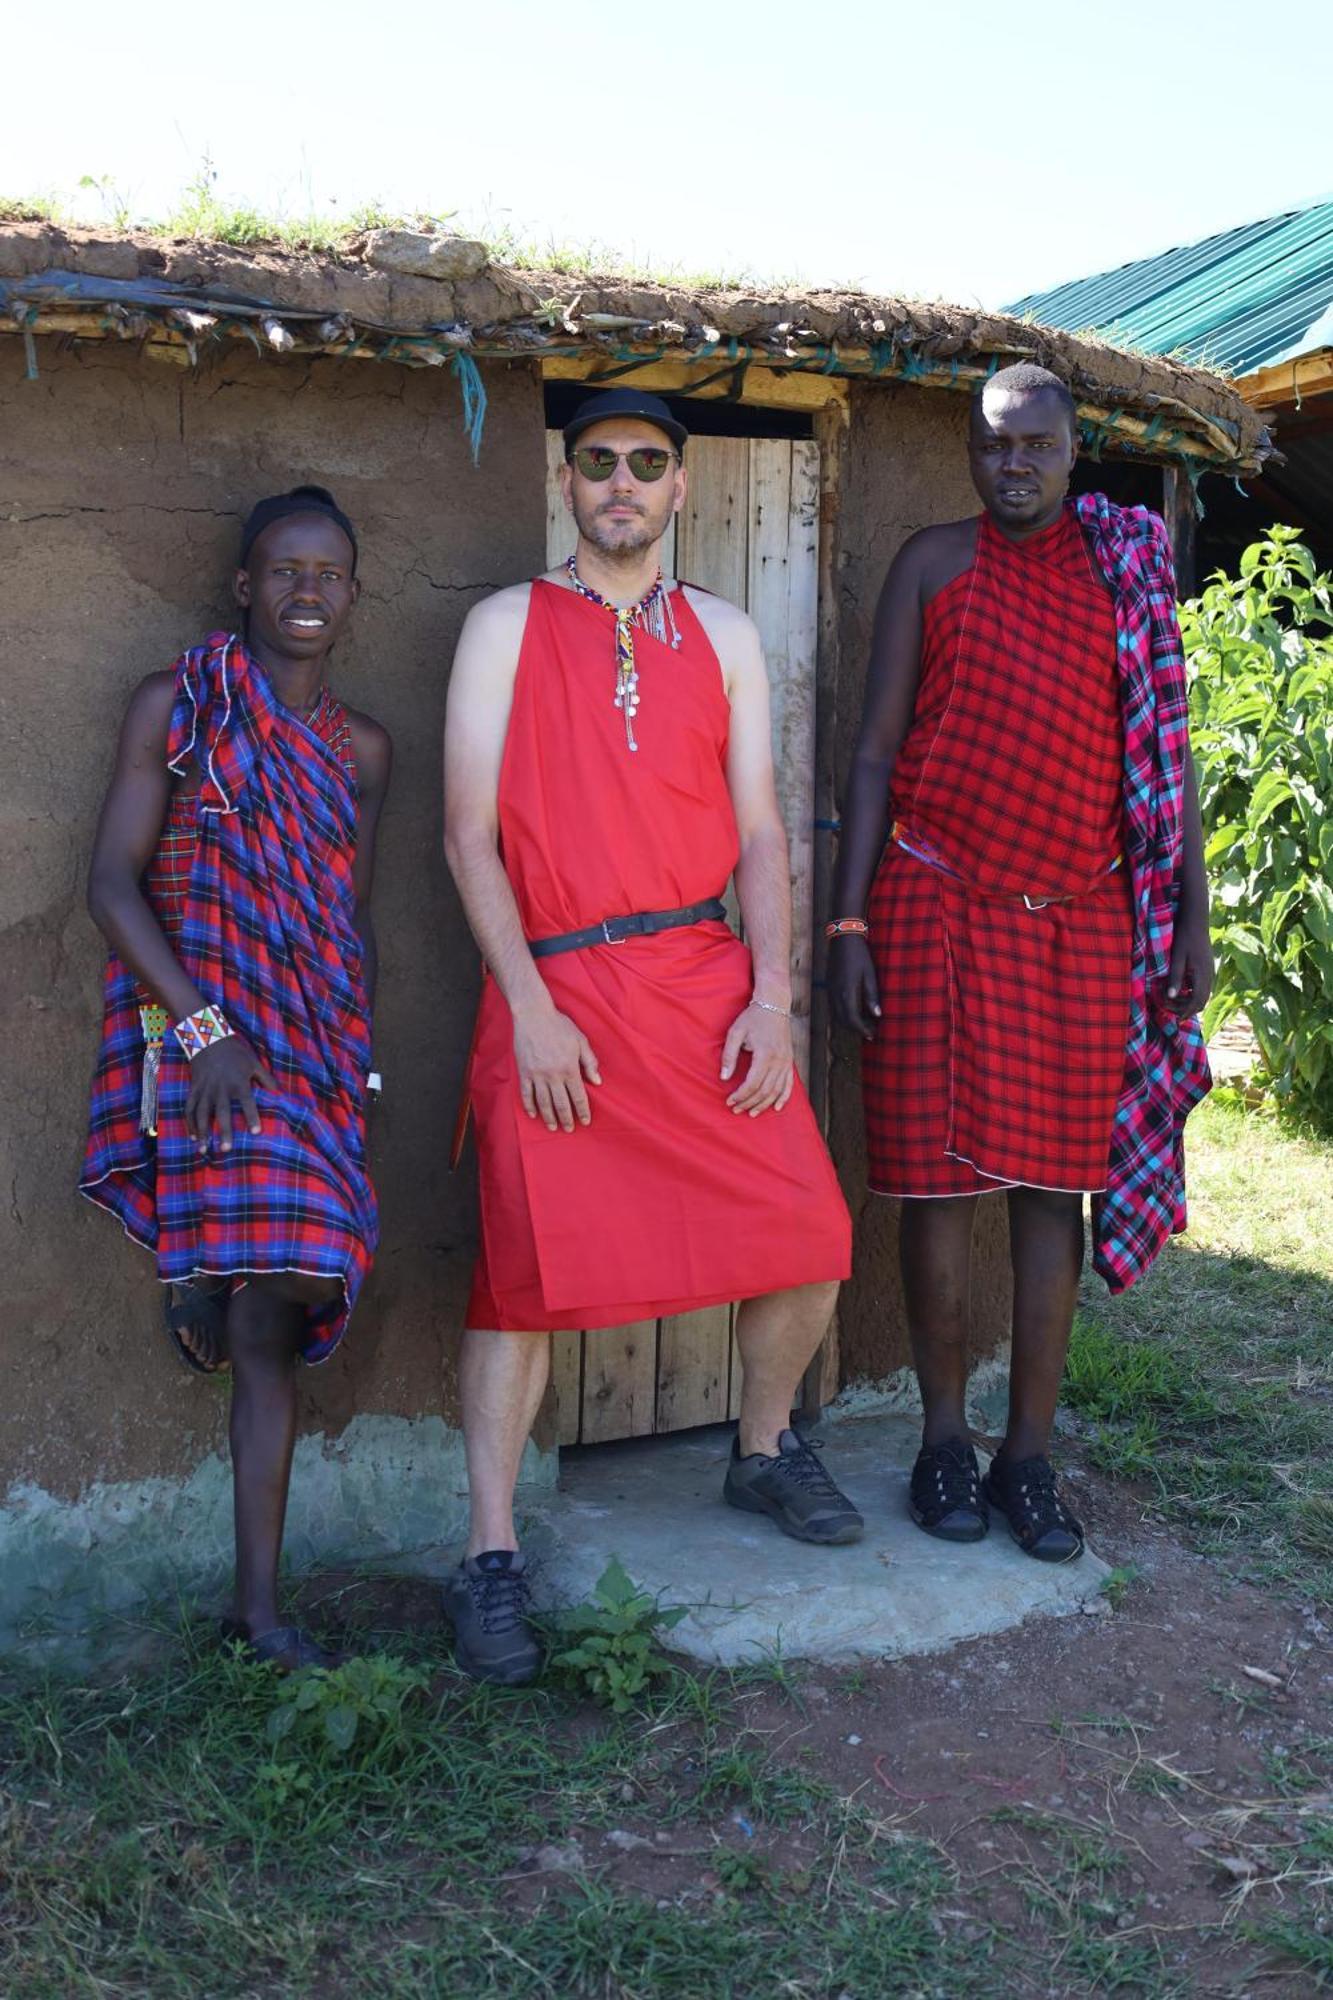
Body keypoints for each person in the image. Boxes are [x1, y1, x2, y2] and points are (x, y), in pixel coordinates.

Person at [442, 388, 856, 1684]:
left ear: (681, 487)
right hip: (554, 993)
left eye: (647, 464)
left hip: (702, 983)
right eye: (598, 463)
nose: (622, 482)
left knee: (810, 1228)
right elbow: (468, 836)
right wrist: (531, 1009)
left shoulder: (726, 636)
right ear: (568, 485)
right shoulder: (505, 625)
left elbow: (762, 837)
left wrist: (774, 998)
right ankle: (492, 1554)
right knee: (519, 1274)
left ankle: (761, 1448)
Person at [829, 364, 1212, 1563]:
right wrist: (848, 924)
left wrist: (1190, 913)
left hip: (1084, 918)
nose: (1015, 469)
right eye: (996, 448)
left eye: (1037, 448)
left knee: (1055, 1191)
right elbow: (875, 752)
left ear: (1071, 450)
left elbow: (1168, 754)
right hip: (933, 902)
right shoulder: (932, 566)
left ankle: (1028, 1456)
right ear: (970, 450)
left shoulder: (1125, 579)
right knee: (936, 1184)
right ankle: (943, 1440)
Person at [81, 485, 392, 1670]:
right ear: (245, 587)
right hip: (197, 1040)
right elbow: (113, 884)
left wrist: (350, 1051)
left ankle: (203, 1272)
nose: (307, 592)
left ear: (353, 596)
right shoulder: (177, 708)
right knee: (275, 1299)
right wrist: (203, 1025)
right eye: (285, 571)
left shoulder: (363, 750)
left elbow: (339, 921)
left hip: (311, 1047)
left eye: (330, 574)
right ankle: (259, 1615)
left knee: (303, 1278)